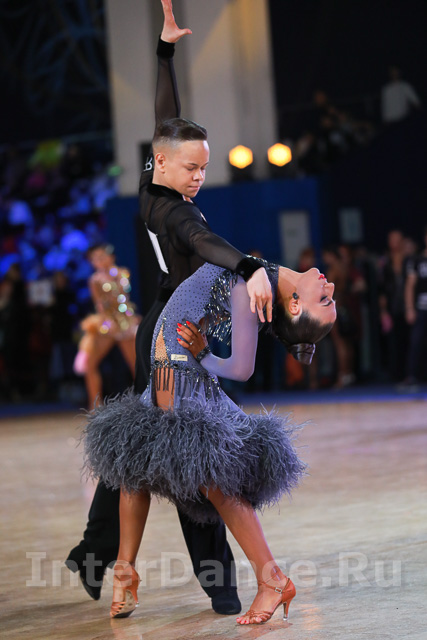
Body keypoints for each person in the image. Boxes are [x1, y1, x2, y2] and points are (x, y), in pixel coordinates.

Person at [66, 0, 272, 616]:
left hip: (169, 324)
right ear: (163, 164)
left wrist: (165, 54)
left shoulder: (151, 183)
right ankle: (222, 584)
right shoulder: (174, 212)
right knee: (193, 455)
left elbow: (166, 121)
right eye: (192, 167)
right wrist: (249, 267)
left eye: (205, 167)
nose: (200, 175)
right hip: (173, 337)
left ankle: (99, 556)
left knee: (141, 453)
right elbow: (204, 241)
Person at [84, 259, 336, 624]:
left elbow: (242, 369)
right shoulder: (258, 275)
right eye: (329, 298)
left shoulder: (253, 284)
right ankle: (125, 574)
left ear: (296, 305)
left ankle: (273, 579)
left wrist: (203, 354)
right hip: (166, 376)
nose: (330, 288)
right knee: (134, 469)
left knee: (213, 482)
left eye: (325, 300)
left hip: (182, 380)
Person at [73, 244, 141, 408]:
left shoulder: (122, 273)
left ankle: (144, 402)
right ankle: (95, 406)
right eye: (94, 259)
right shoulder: (95, 279)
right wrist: (106, 321)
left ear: (111, 257)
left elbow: (123, 297)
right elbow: (99, 304)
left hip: (125, 322)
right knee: (90, 364)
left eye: (101, 257)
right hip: (107, 323)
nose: (98, 261)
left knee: (136, 365)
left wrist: (129, 317)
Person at [404, 226, 427, 385]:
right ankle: (412, 376)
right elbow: (410, 286)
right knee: (416, 341)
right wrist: (410, 308)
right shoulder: (417, 260)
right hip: (422, 307)